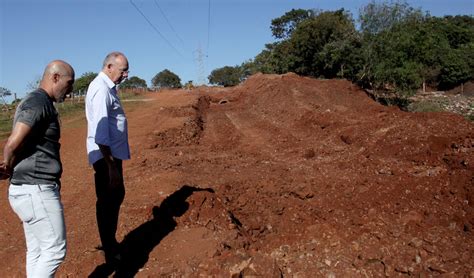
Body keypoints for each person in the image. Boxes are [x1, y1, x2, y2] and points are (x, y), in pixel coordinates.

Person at [0, 60, 75, 277]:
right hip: (36, 189)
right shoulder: (38, 102)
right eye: (68, 83)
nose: (69, 90)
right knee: (54, 249)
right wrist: (7, 165)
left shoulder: (37, 101)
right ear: (55, 78)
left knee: (37, 249)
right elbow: (13, 142)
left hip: (28, 190)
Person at [85, 51, 130, 266]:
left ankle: (110, 242)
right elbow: (100, 132)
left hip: (109, 155)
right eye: (123, 70)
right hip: (105, 156)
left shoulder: (108, 87)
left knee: (114, 197)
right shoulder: (101, 89)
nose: (126, 75)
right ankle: (110, 249)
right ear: (109, 67)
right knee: (108, 201)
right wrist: (111, 166)